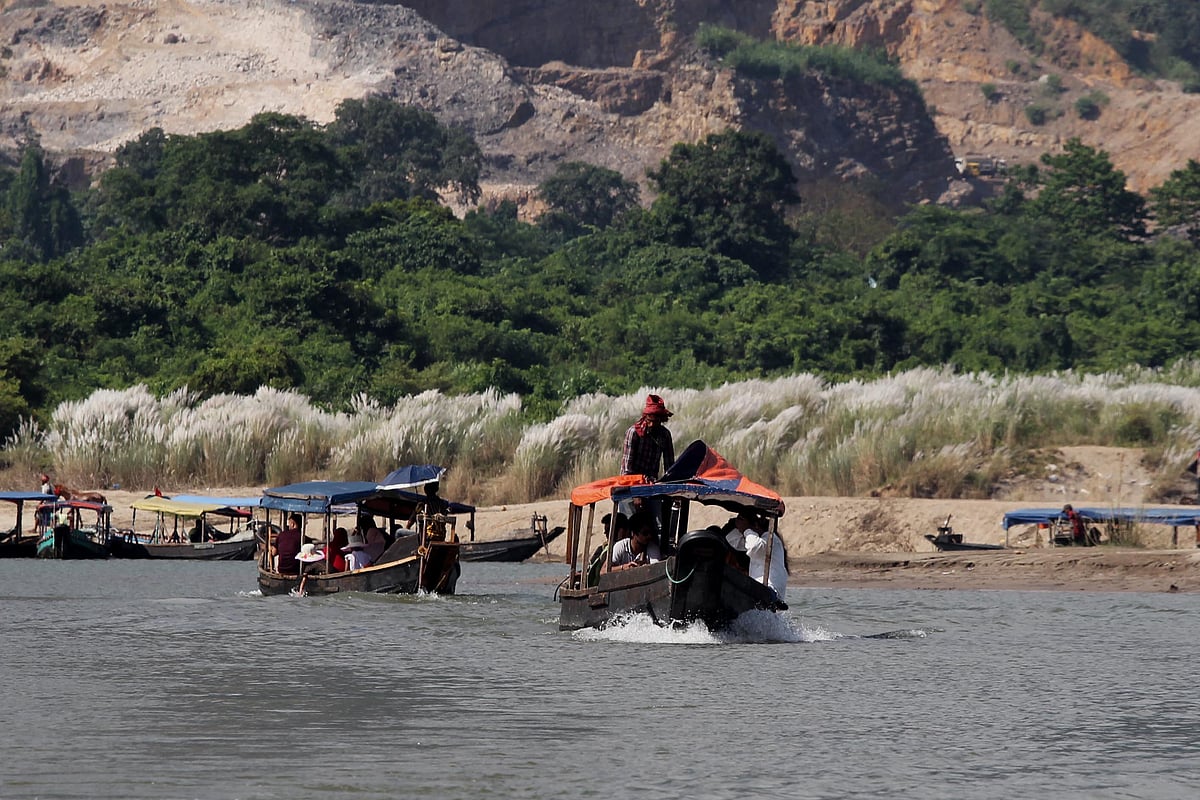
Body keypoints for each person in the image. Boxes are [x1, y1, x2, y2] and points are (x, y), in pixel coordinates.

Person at [724, 511, 789, 601]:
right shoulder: (758, 540)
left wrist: (746, 529)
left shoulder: (769, 539)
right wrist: (742, 529)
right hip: (760, 589)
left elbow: (754, 546)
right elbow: (732, 541)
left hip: (770, 590)